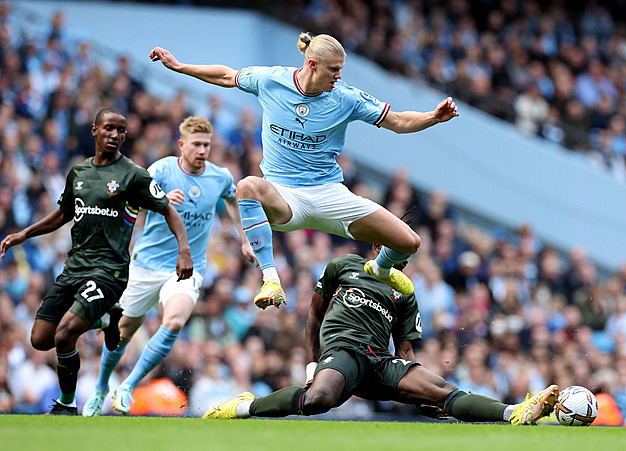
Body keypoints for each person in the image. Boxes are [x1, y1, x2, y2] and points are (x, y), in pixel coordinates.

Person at [149, 31, 459, 310]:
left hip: (329, 193)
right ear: (311, 64)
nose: (339, 76)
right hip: (284, 197)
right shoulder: (271, 80)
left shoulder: (346, 98)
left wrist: (433, 117)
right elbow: (227, 76)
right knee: (246, 185)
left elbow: (398, 122)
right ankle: (271, 279)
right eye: (333, 69)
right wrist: (180, 67)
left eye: (341, 69)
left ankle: (379, 269)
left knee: (409, 242)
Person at [201, 243, 559, 425]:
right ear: (378, 246)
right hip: (343, 350)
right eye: (398, 254)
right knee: (317, 401)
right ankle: (240, 407)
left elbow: (404, 350)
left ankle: (515, 411)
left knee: (442, 390)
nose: (402, 263)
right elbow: (314, 315)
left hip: (379, 361)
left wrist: (416, 387)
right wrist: (312, 365)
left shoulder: (404, 289)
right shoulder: (343, 266)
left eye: (407, 258)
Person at [0, 107, 193, 415]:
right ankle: (106, 318)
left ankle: (66, 403)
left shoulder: (133, 175)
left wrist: (184, 250)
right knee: (40, 340)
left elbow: (168, 209)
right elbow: (64, 213)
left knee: (65, 334)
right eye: (108, 129)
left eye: (120, 130)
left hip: (110, 271)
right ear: (95, 130)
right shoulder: (79, 172)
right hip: (74, 268)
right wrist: (25, 233)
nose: (114, 135)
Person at [81, 116, 255, 416]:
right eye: (196, 144)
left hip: (187, 267)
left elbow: (233, 199)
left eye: (207, 145)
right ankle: (100, 388)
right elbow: (129, 199)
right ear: (181, 145)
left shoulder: (220, 176)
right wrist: (158, 199)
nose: (202, 150)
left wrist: (244, 237)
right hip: (146, 265)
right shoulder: (161, 170)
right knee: (122, 333)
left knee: (174, 321)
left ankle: (128, 386)